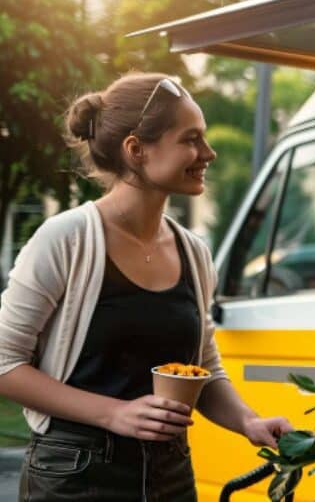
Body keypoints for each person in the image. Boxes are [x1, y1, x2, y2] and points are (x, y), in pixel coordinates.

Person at [0, 73, 292, 501]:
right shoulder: (65, 239)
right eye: (191, 139)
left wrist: (249, 422)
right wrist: (115, 414)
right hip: (73, 477)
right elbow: (5, 363)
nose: (207, 153)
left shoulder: (194, 252)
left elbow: (203, 368)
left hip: (170, 475)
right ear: (136, 150)